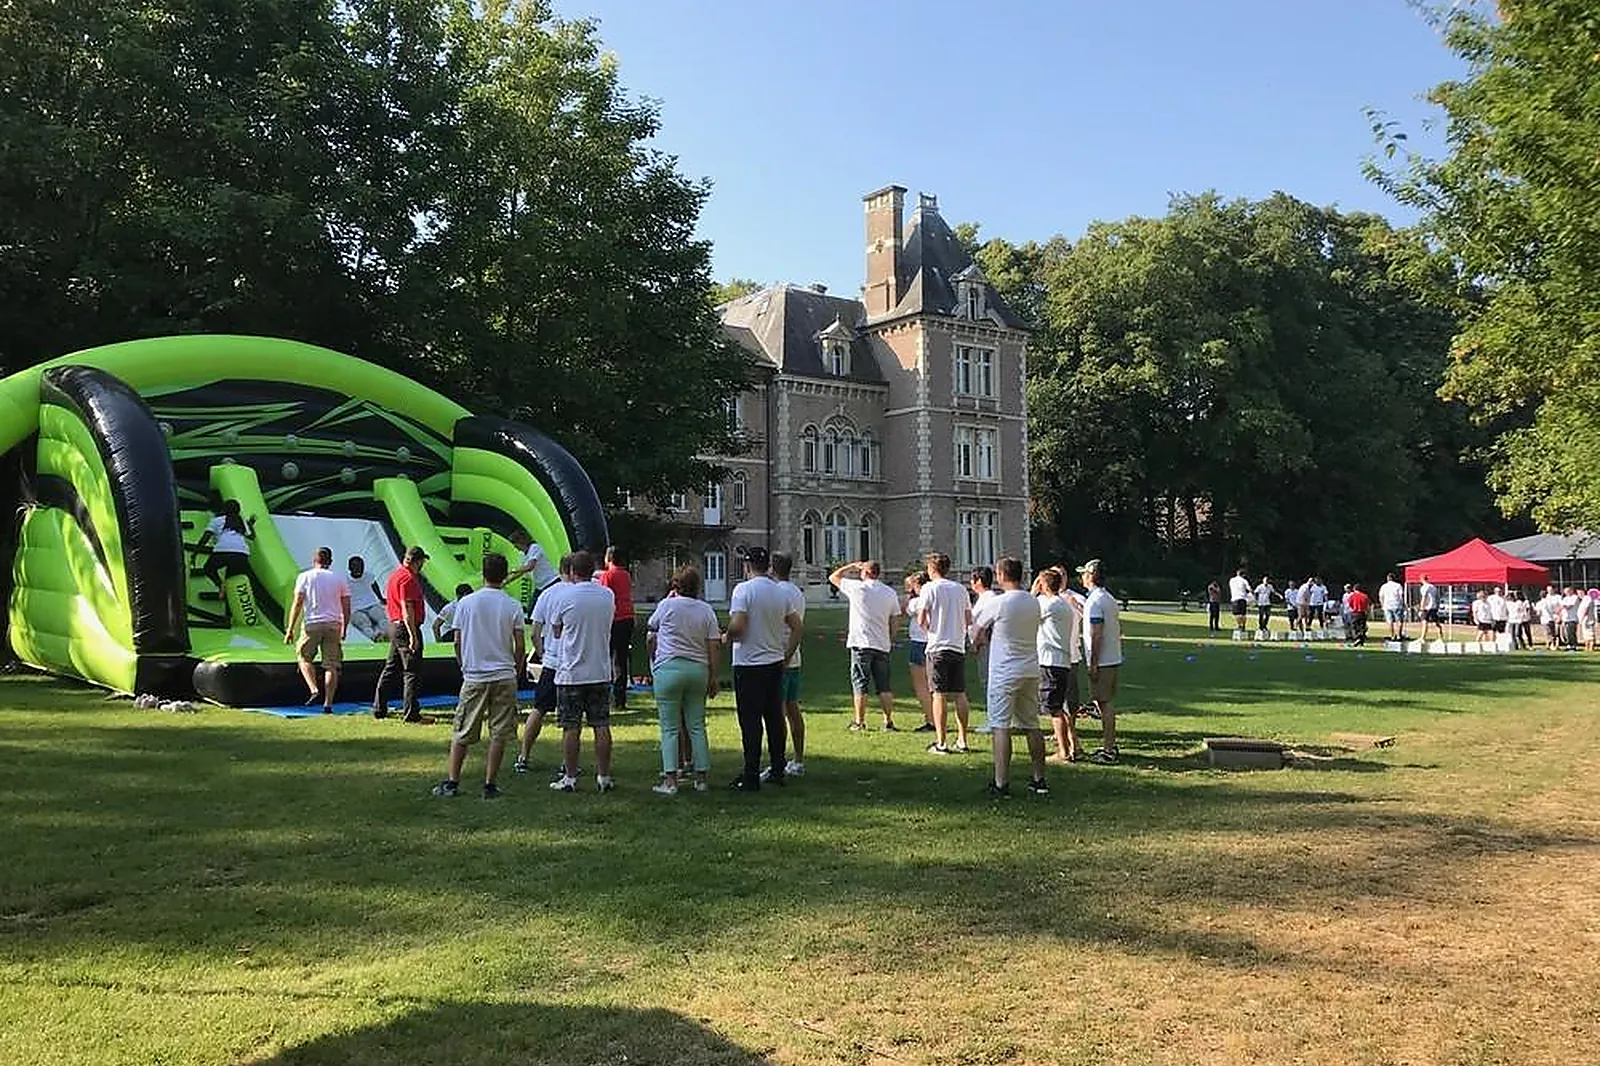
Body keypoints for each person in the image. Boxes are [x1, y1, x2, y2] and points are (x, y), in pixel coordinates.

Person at [430, 553, 526, 798]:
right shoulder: (513, 605)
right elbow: (520, 645)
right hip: (504, 674)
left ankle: (453, 782)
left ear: (483, 574)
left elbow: (458, 641)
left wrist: (464, 666)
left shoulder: (466, 603)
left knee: (463, 730)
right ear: (505, 576)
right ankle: (490, 785)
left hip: (475, 675)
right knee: (499, 733)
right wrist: (516, 671)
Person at [725, 546, 803, 791]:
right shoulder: (780, 593)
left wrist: (726, 636)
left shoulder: (743, 590)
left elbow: (738, 626)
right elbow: (797, 626)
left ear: (747, 566)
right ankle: (778, 769)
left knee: (750, 720)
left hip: (749, 663)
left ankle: (750, 773)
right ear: (767, 566)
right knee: (774, 718)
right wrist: (787, 653)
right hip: (773, 662)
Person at [972, 557, 1048, 797]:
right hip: (1030, 668)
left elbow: (977, 627)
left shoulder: (1001, 602)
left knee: (1000, 725)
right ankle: (1039, 778)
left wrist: (976, 641)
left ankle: (1001, 782)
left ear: (1001, 576)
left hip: (1005, 671)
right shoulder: (1033, 602)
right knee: (1031, 725)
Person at [646, 564, 721, 795]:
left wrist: (653, 660)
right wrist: (713, 676)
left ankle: (671, 779)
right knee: (696, 725)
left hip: (668, 668)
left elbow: (651, 630)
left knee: (669, 728)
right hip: (698, 670)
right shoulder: (706, 610)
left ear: (675, 585)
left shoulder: (667, 606)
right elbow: (714, 645)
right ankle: (701, 778)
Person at [549, 551, 617, 792]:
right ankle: (604, 776)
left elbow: (556, 630)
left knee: (571, 727)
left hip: (571, 672)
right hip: (599, 669)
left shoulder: (565, 597)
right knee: (601, 724)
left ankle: (570, 777)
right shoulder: (607, 595)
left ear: (571, 572)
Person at [516, 554, 572, 775]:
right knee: (570, 718)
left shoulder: (547, 594)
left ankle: (524, 756)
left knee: (538, 710)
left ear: (560, 570)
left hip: (551, 661)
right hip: (571, 664)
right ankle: (567, 764)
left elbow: (535, 633)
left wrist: (542, 654)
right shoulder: (577, 594)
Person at [830, 558, 902, 732]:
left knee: (860, 683)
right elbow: (896, 617)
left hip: (861, 643)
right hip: (882, 644)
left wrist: (851, 566)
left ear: (866, 572)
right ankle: (888, 721)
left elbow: (833, 577)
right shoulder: (889, 592)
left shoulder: (857, 588)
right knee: (884, 685)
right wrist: (890, 636)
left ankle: (859, 721)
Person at [919, 552, 974, 756]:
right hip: (957, 646)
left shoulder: (929, 588)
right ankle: (962, 739)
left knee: (939, 694)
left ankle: (941, 742)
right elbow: (969, 618)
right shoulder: (960, 589)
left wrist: (929, 629)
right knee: (959, 693)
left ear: (932, 569)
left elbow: (921, 617)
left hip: (937, 646)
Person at [283, 547, 350, 713]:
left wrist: (290, 628)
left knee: (304, 657)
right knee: (331, 665)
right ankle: (328, 703)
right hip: (333, 624)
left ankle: (313, 689)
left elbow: (297, 603)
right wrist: (344, 627)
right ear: (330, 561)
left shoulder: (304, 577)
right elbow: (347, 607)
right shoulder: (339, 578)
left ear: (314, 560)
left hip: (312, 623)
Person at [371, 546, 428, 722]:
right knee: (411, 671)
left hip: (395, 626)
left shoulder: (395, 575)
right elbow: (407, 608)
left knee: (391, 667)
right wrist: (413, 635)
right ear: (418, 562)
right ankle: (411, 712)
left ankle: (379, 707)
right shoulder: (408, 579)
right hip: (405, 626)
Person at [1032, 567, 1080, 764]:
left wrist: (1032, 592)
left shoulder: (1050, 605)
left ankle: (1064, 751)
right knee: (1058, 706)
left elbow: (1026, 614)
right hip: (1060, 661)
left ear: (1044, 585)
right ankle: (1069, 747)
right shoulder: (1061, 604)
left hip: (1051, 662)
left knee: (1054, 708)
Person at [1080, 559, 1123, 764]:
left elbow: (1096, 633)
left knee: (1103, 704)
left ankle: (1108, 749)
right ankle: (1109, 745)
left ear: (1090, 576)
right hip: (1112, 657)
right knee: (1104, 703)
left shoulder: (1095, 601)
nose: (1081, 577)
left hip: (1103, 660)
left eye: (1084, 574)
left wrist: (1094, 663)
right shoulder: (1107, 598)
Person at [771, 553, 807, 777]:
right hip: (794, 659)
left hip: (780, 656)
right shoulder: (796, 592)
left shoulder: (778, 593)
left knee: (778, 712)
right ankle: (798, 759)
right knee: (792, 709)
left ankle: (780, 762)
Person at [596, 546, 635, 710]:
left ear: (608, 558)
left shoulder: (608, 575)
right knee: (621, 658)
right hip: (627, 617)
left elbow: (603, 595)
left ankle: (603, 696)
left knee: (605, 658)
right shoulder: (626, 575)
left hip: (613, 618)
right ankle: (620, 699)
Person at [194, 499, 255, 592]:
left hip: (222, 551)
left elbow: (205, 538)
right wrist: (251, 525)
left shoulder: (217, 520)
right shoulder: (242, 522)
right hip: (241, 553)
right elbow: (252, 537)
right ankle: (232, 596)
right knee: (233, 579)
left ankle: (220, 585)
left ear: (224, 509)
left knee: (209, 569)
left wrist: (195, 553)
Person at [904, 572, 935, 732]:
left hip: (919, 643)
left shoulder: (916, 602)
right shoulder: (936, 598)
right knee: (934, 685)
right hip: (934, 644)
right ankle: (936, 717)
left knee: (921, 686)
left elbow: (906, 608)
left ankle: (931, 719)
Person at [507, 529, 559, 611]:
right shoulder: (523, 555)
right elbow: (521, 572)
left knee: (547, 609)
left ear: (521, 542)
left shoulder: (535, 548)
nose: (515, 547)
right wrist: (507, 581)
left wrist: (512, 570)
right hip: (540, 586)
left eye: (516, 545)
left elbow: (530, 566)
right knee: (532, 611)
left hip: (551, 582)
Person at [346, 556, 388, 641]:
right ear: (350, 568)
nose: (358, 570)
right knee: (364, 623)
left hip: (371, 604)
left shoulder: (368, 575)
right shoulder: (344, 580)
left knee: (382, 619)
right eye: (356, 568)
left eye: (360, 567)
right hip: (355, 609)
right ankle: (375, 636)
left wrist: (380, 598)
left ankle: (385, 634)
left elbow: (374, 584)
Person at [1378, 572, 1406, 641]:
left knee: (1390, 621)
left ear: (1388, 579)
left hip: (1387, 605)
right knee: (1399, 621)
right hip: (1397, 604)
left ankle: (1392, 635)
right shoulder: (1398, 585)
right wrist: (1403, 604)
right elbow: (1401, 596)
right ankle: (1399, 635)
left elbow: (1381, 597)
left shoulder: (1384, 586)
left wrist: (1382, 605)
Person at [1419, 575, 1443, 642]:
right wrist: (1437, 606)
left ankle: (1422, 638)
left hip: (1426, 607)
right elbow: (1437, 597)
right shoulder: (1433, 587)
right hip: (1434, 607)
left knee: (1424, 622)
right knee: (1436, 623)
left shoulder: (1424, 587)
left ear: (1422, 579)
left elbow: (1424, 597)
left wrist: (1421, 608)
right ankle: (1440, 637)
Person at [1227, 569, 1250, 634]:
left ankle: (1239, 625)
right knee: (1243, 614)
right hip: (1243, 598)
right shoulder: (1244, 580)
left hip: (1235, 598)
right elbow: (1249, 588)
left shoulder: (1231, 580)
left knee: (1236, 614)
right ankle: (1243, 626)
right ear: (1243, 575)